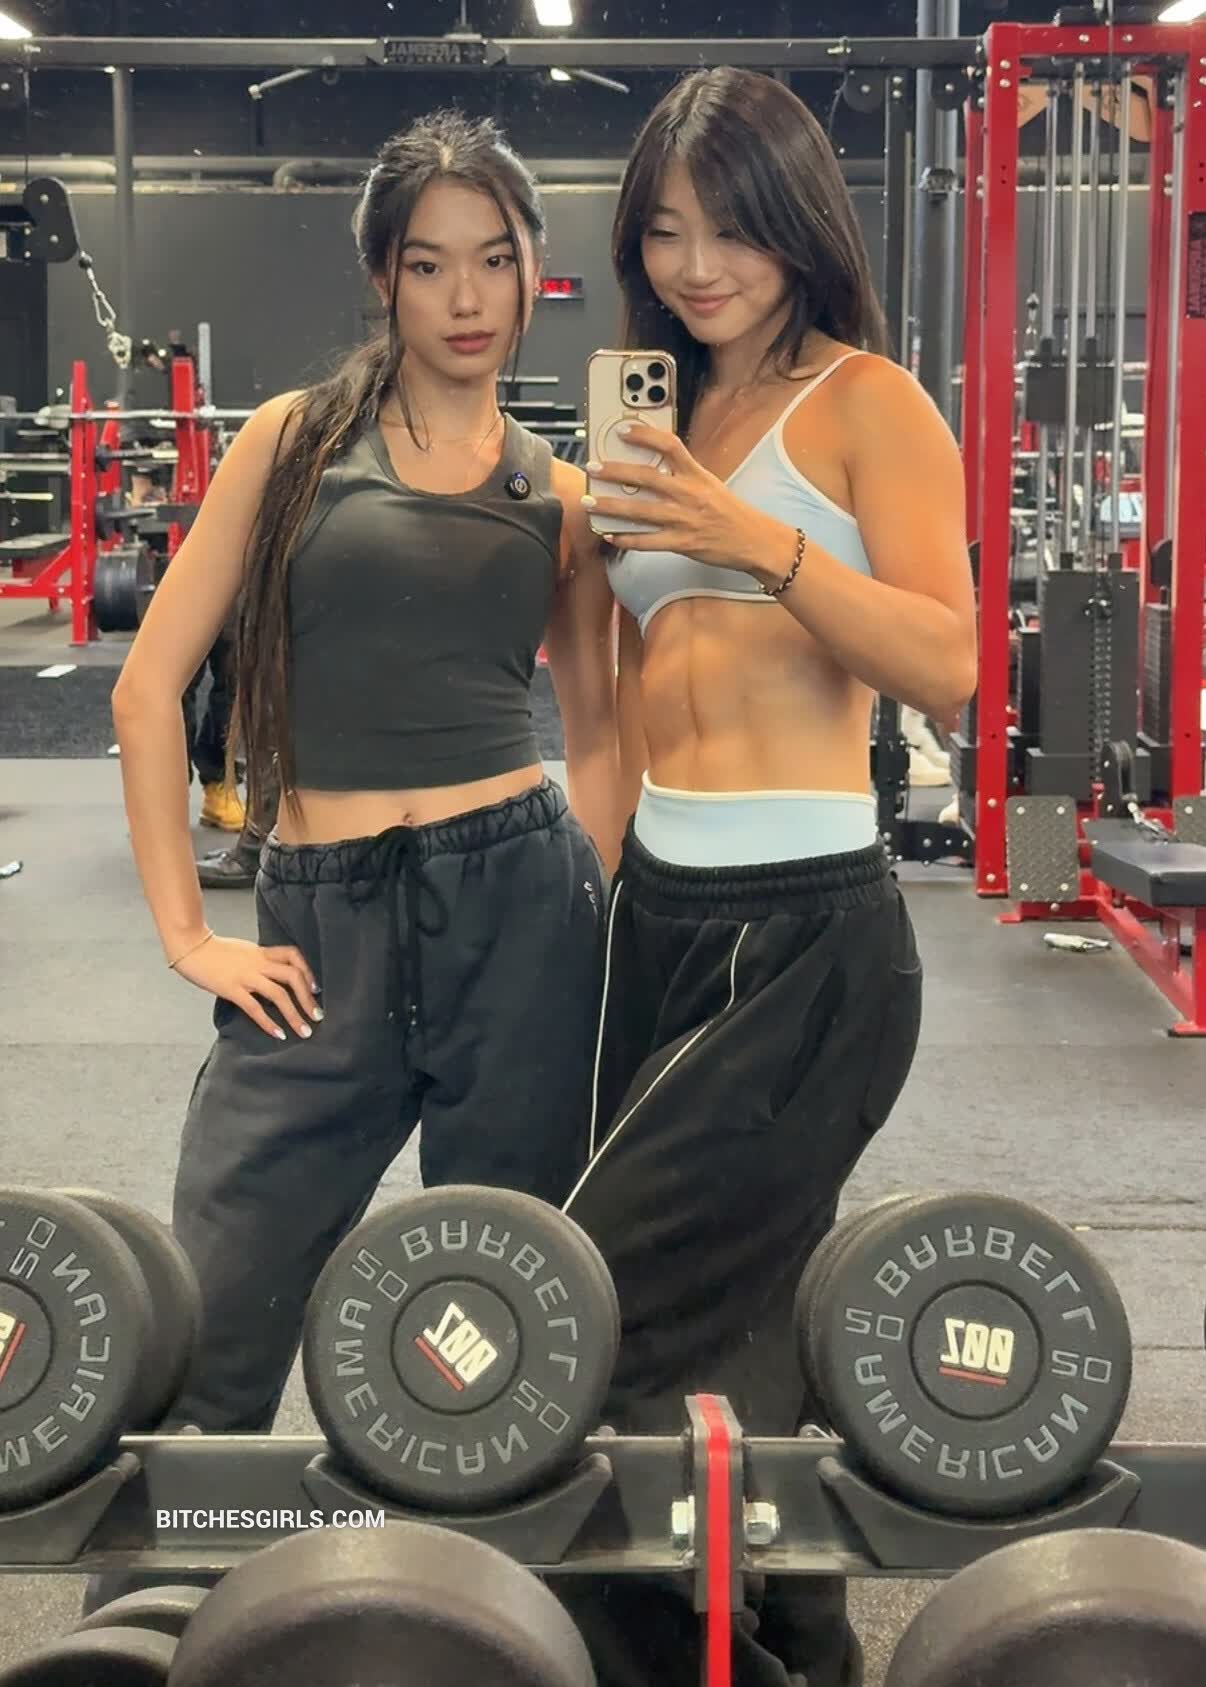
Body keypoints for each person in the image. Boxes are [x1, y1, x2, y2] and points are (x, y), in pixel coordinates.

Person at [552, 69, 977, 1687]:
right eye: (664, 233)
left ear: (797, 224)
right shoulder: (655, 416)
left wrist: (758, 544)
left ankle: (655, 1657)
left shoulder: (868, 403)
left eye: (730, 228)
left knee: (592, 1309)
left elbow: (945, 670)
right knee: (741, 1335)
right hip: (660, 912)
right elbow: (614, 691)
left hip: (808, 931)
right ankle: (799, 1648)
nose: (697, 266)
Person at [111, 110, 624, 1442]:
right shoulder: (292, 443)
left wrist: (591, 901)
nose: (467, 298)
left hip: (517, 910)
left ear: (533, 266)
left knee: (501, 1313)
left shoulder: (560, 494)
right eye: (429, 264)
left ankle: (481, 1564)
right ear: (382, 274)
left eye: (495, 259)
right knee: (215, 1308)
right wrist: (187, 936)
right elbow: (145, 688)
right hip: (323, 919)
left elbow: (600, 734)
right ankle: (181, 1574)